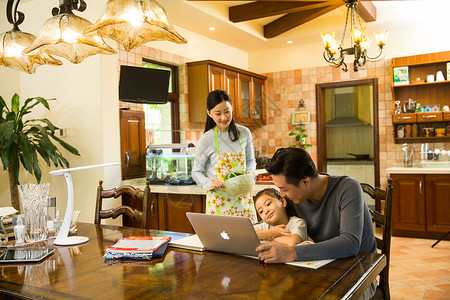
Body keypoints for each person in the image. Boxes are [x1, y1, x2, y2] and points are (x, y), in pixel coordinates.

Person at [255, 147, 377, 299]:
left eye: (283, 189)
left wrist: (292, 253)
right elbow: (272, 224)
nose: (282, 195)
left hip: (358, 274)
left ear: (305, 182)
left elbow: (350, 243)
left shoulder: (347, 188)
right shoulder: (293, 197)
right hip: (323, 269)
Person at [192, 90, 258, 222]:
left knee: (247, 239)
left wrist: (249, 176)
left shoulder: (244, 133)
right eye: (218, 113)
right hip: (219, 202)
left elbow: (250, 161)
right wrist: (209, 183)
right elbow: (196, 172)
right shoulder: (207, 138)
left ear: (232, 109)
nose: (223, 117)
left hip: (242, 200)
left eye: (227, 111)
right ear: (209, 113)